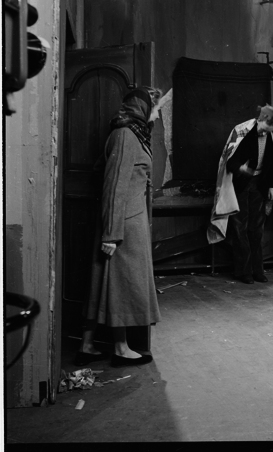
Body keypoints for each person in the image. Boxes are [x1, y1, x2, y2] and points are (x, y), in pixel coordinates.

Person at [75, 86, 169, 368]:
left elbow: (105, 172)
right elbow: (114, 184)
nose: (157, 115)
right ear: (143, 108)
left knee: (104, 282)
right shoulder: (127, 136)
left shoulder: (132, 134)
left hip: (124, 219)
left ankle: (87, 345)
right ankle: (120, 349)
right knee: (122, 286)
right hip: (125, 224)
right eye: (156, 109)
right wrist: (112, 234)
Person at [207, 104, 273, 284]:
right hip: (240, 185)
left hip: (259, 186)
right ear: (261, 120)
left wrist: (272, 186)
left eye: (271, 128)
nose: (268, 131)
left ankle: (258, 270)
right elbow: (229, 161)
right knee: (240, 228)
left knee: (256, 229)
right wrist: (240, 169)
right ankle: (244, 272)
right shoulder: (242, 132)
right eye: (267, 127)